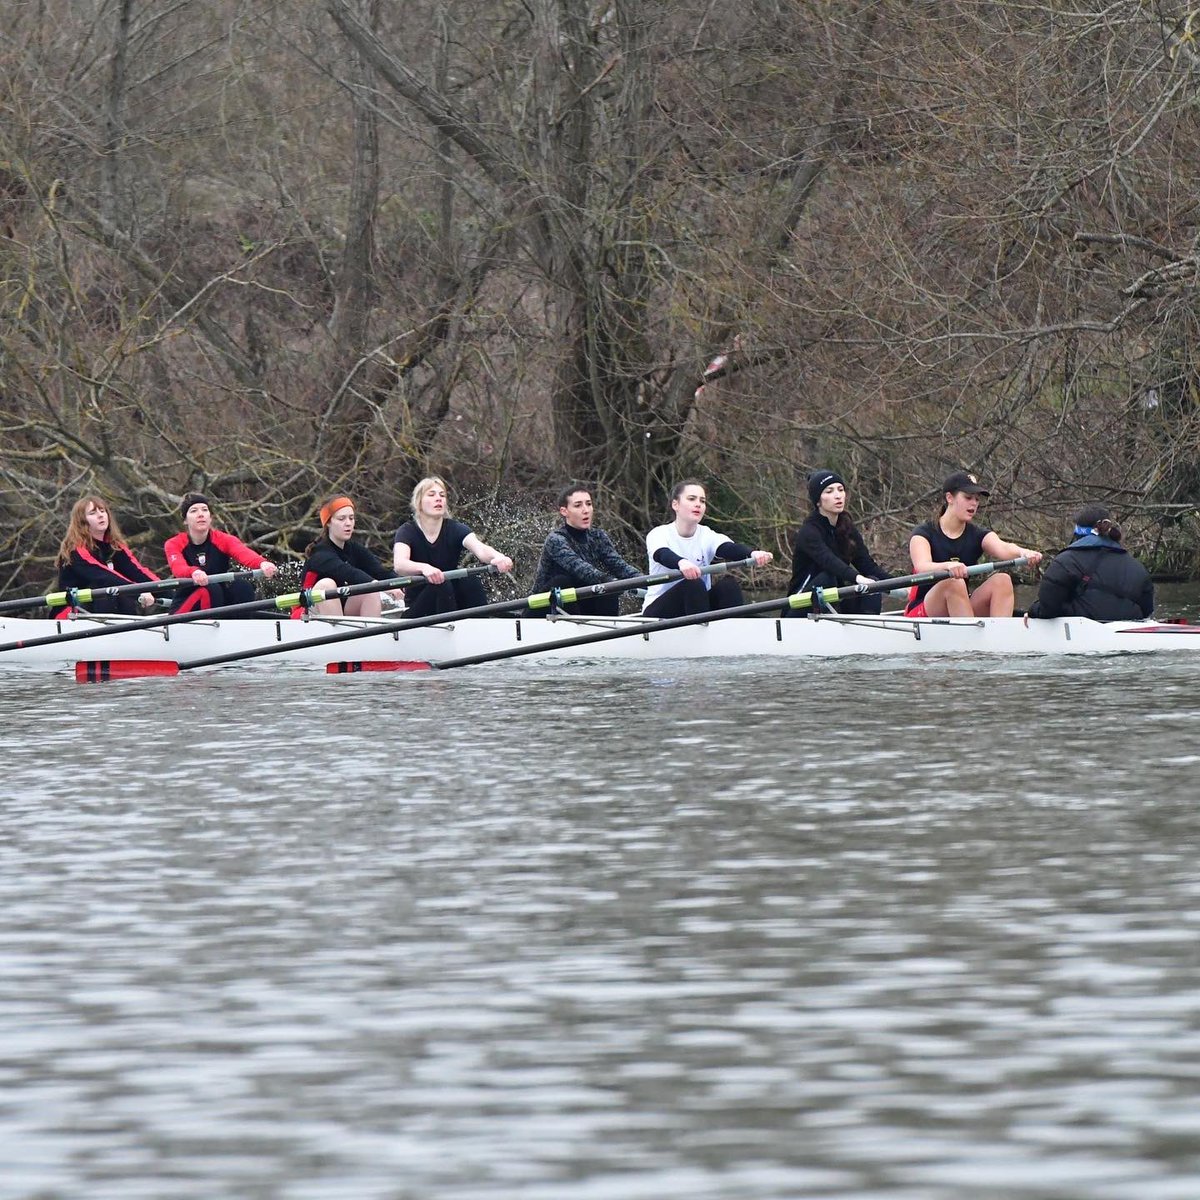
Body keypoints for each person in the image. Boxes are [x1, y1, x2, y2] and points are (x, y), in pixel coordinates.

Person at [905, 471, 1042, 617]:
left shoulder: (977, 534)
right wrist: (947, 566)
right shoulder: (924, 533)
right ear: (949, 498)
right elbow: (922, 566)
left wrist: (1023, 552)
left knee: (1002, 580)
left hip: (958, 608)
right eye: (968, 497)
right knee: (954, 582)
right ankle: (971, 636)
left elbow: (1003, 547)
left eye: (977, 499)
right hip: (923, 610)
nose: (974, 503)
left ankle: (1000, 635)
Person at [642, 480, 772, 618]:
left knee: (729, 586)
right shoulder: (659, 534)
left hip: (698, 607)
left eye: (702, 501)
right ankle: (702, 632)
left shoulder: (706, 534)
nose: (698, 504)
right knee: (693, 584)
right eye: (691, 499)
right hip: (658, 613)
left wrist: (752, 553)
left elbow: (727, 548)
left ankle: (733, 630)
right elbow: (662, 554)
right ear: (676, 504)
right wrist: (681, 563)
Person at [392, 476, 513, 618]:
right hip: (420, 608)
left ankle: (481, 625)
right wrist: (425, 568)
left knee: (469, 579)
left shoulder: (455, 528)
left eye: (442, 495)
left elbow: (480, 548)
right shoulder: (407, 531)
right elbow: (400, 564)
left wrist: (498, 557)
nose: (439, 499)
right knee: (441, 584)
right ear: (419, 503)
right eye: (431, 495)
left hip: (451, 603)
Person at [786, 470, 891, 615]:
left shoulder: (847, 527)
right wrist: (858, 578)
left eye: (840, 490)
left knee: (872, 581)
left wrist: (904, 588)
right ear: (818, 501)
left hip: (835, 600)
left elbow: (867, 565)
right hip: (799, 607)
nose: (837, 495)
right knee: (828, 577)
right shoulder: (808, 531)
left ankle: (867, 628)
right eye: (829, 491)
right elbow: (830, 562)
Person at [530, 485, 642, 616]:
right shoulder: (555, 539)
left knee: (607, 588)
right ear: (564, 511)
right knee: (565, 582)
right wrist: (611, 582)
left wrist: (645, 581)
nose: (586, 510)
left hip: (579, 604)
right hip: (543, 608)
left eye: (588, 504)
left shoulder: (598, 536)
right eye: (578, 505)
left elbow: (620, 566)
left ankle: (608, 630)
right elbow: (580, 569)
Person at [1027, 505, 1153, 621]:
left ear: (1078, 532)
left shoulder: (1066, 561)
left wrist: (1033, 611)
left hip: (1081, 634)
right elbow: (1146, 610)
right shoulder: (1138, 567)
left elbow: (1048, 608)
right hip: (1128, 634)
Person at [164, 493, 278, 613]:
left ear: (210, 517)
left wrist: (263, 564)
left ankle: (239, 627)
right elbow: (178, 568)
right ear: (185, 520)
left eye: (204, 510)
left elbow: (244, 553)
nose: (200, 514)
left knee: (242, 586)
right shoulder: (173, 544)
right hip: (187, 603)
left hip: (217, 600)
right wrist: (194, 572)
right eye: (194, 511)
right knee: (210, 588)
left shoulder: (223, 539)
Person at [298, 496, 405, 617]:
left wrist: (402, 584)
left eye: (351, 518)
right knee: (327, 584)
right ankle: (340, 634)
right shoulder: (319, 553)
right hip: (307, 612)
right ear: (328, 523)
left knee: (370, 590)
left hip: (343, 609)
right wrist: (382, 586)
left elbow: (381, 572)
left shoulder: (354, 548)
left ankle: (370, 634)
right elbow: (348, 572)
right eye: (341, 519)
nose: (348, 523)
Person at [54, 495, 160, 616]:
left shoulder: (115, 546)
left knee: (120, 593)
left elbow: (137, 572)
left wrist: (168, 590)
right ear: (82, 521)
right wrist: (138, 593)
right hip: (73, 612)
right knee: (107, 588)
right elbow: (103, 577)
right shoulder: (76, 549)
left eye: (103, 511)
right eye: (93, 513)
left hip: (106, 606)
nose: (100, 515)